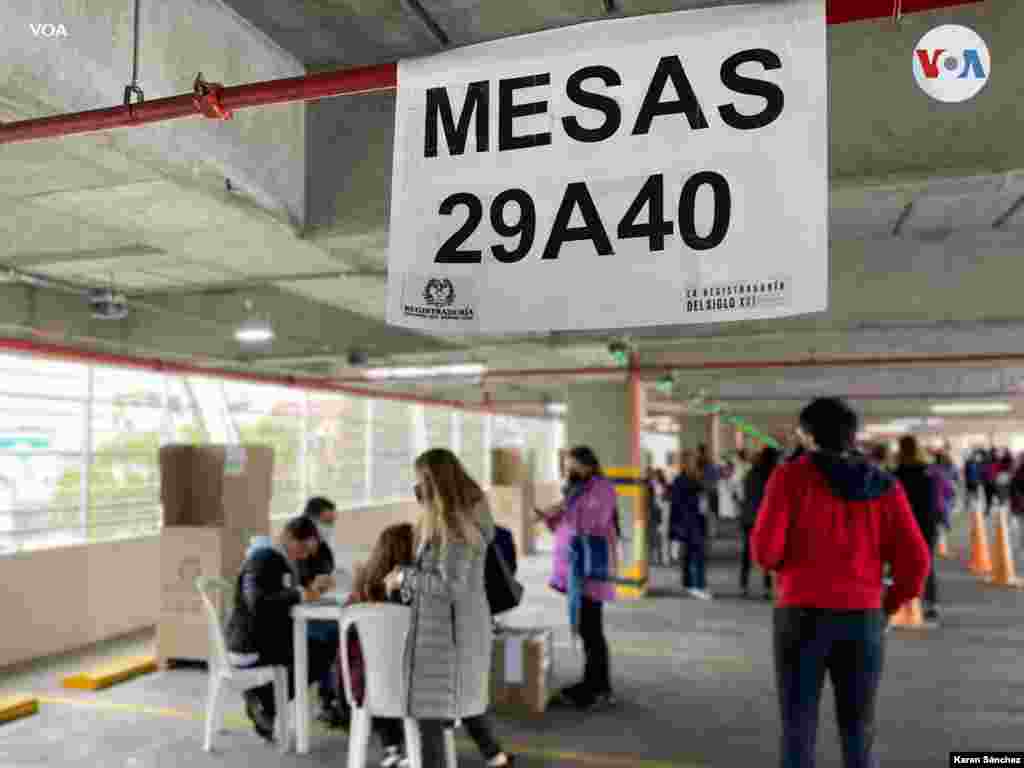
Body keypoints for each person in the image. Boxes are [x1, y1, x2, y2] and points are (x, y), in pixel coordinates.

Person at [752, 398, 929, 768]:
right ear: (853, 436)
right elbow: (916, 560)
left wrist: (788, 566)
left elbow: (765, 551)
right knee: (858, 726)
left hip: (800, 616)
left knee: (798, 724)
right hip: (863, 617)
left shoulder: (789, 477)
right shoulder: (885, 485)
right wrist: (889, 603)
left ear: (807, 434)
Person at [383, 448, 496, 767]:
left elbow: (450, 586)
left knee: (430, 722)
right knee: (431, 720)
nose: (416, 489)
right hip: (444, 633)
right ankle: (495, 754)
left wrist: (405, 576)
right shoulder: (452, 520)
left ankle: (494, 754)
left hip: (447, 638)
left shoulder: (454, 526)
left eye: (419, 481)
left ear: (434, 482)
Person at [226, 516, 338, 742]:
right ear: (288, 536)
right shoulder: (264, 556)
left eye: (310, 551)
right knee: (321, 650)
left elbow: (279, 594)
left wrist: (307, 590)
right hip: (250, 645)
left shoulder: (280, 560)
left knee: (322, 644)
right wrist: (300, 594)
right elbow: (256, 602)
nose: (306, 555)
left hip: (263, 639)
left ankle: (264, 702)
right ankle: (263, 699)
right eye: (304, 547)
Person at [536, 445, 618, 711]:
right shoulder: (578, 490)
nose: (568, 471)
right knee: (586, 628)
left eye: (572, 466)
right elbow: (565, 526)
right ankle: (593, 683)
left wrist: (566, 504)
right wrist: (551, 516)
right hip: (576, 570)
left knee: (591, 630)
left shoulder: (601, 488)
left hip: (590, 570)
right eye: (566, 466)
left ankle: (599, 688)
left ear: (588, 465)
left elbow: (592, 522)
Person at [299, 496, 345, 727]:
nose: (329, 528)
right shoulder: (293, 550)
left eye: (332, 523)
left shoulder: (324, 550)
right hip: (298, 619)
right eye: (325, 522)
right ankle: (330, 700)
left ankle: (336, 700)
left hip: (318, 612)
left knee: (344, 632)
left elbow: (328, 583)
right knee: (336, 637)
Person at [894, 437, 942, 622]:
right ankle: (930, 604)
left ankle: (901, 603)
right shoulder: (927, 472)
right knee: (927, 565)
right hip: (926, 525)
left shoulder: (896, 474)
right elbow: (934, 502)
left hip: (903, 525)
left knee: (900, 565)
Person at [670, 450, 711, 600]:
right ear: (686, 464)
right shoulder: (684, 481)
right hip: (690, 523)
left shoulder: (690, 480)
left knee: (689, 555)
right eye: (693, 462)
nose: (695, 465)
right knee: (697, 555)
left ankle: (689, 584)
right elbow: (678, 505)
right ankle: (697, 586)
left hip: (692, 522)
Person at [740, 446, 779, 599]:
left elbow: (746, 494)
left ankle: (743, 585)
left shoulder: (750, 473)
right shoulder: (772, 474)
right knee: (767, 552)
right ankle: (767, 587)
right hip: (763, 518)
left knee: (746, 552)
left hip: (748, 517)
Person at [645, 468, 665, 566]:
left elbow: (655, 500)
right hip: (655, 512)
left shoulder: (652, 485)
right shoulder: (653, 485)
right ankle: (656, 558)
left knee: (654, 536)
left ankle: (655, 558)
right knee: (654, 536)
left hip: (654, 513)